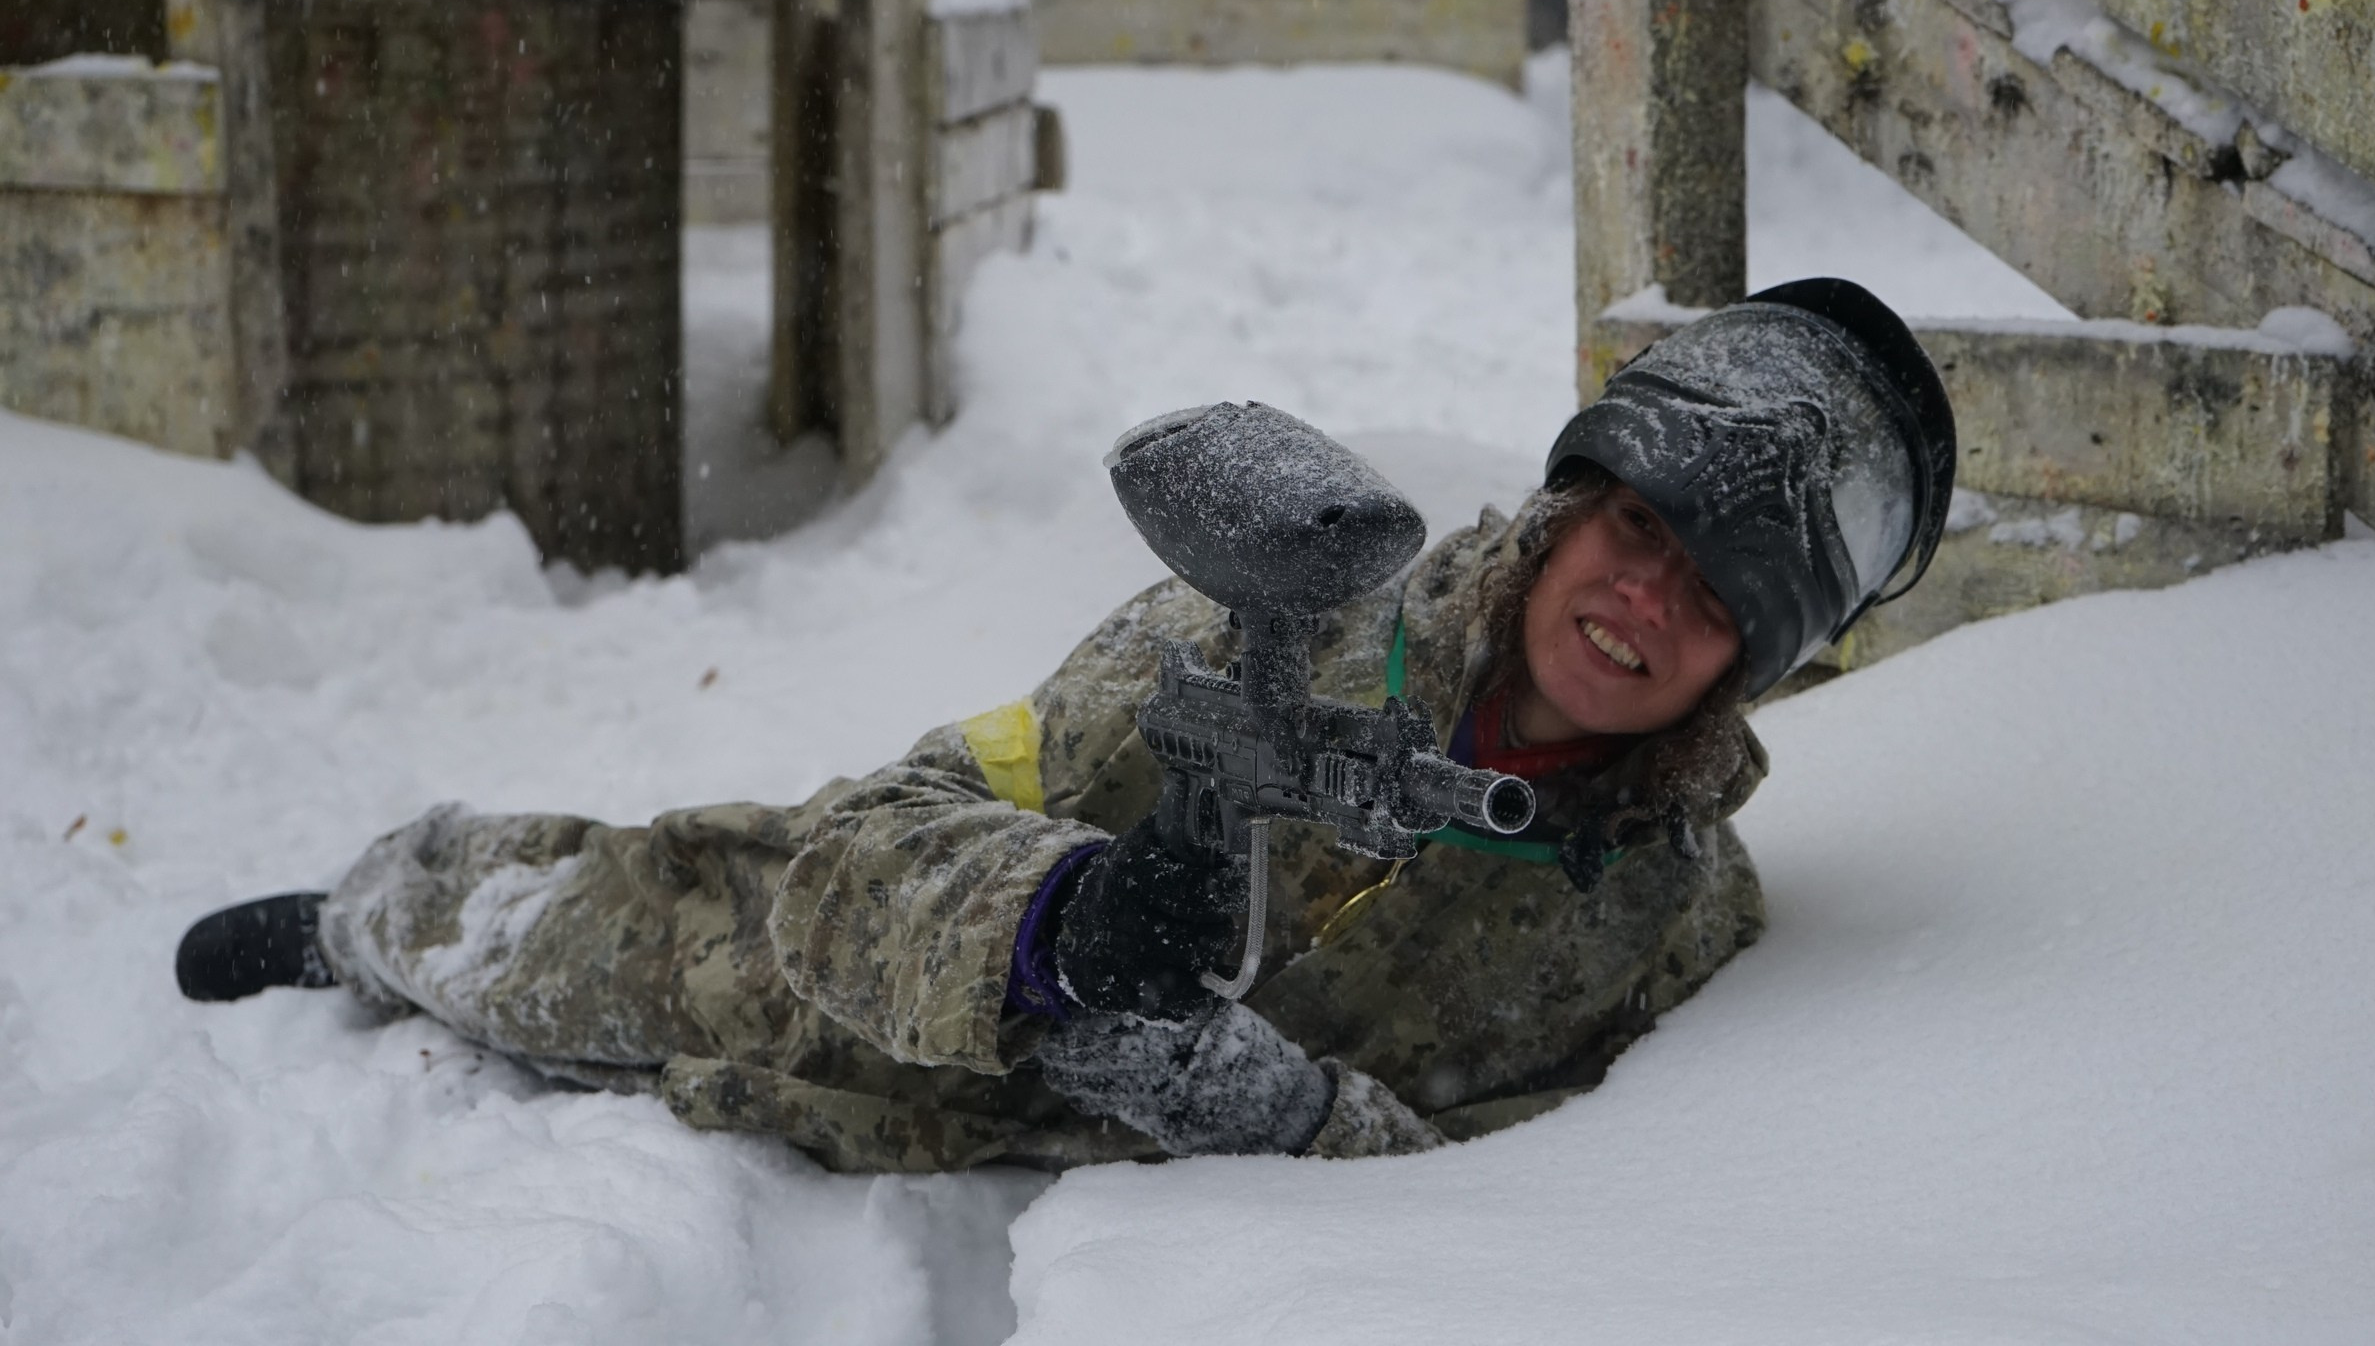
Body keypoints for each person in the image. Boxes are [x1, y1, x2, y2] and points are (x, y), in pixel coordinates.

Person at [174, 279, 1955, 1169]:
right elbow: (881, 835)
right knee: (575, 938)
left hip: (1009, 1173)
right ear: (1569, 509)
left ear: (1748, 667)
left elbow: (1536, 1194)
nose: (1641, 600)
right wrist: (1062, 927)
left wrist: (1282, 1112)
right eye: (1636, 528)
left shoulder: (1666, 918)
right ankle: (369, 911)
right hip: (799, 968)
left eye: (1709, 597)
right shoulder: (1290, 623)